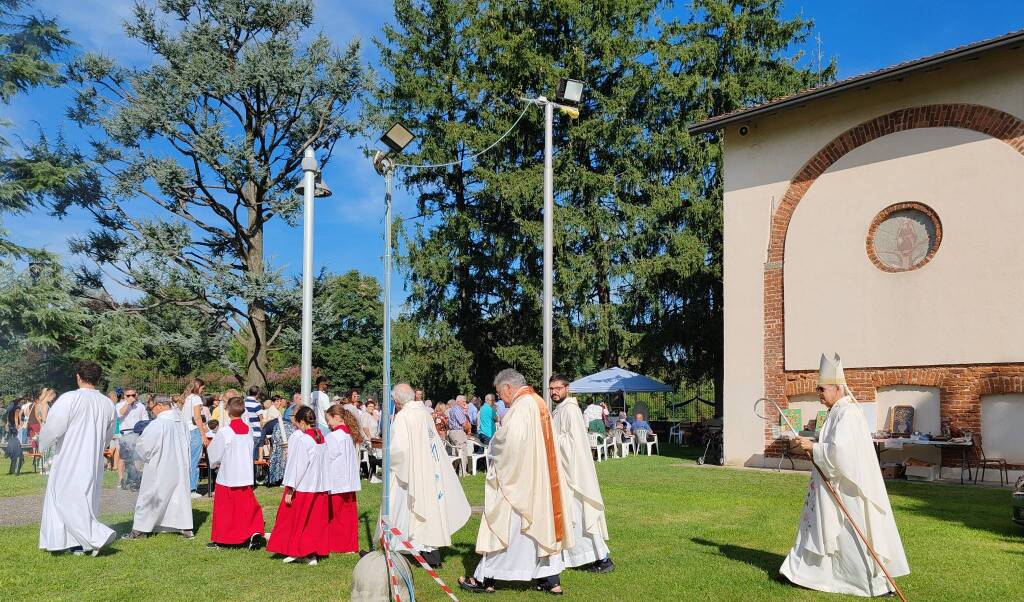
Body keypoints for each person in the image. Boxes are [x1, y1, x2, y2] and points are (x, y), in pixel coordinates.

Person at [781, 353, 909, 597]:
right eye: (817, 388)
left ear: (837, 389)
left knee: (848, 532)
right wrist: (815, 446)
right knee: (822, 528)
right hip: (833, 480)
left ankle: (869, 583)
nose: (818, 393)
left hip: (847, 486)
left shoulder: (848, 413)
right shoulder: (836, 411)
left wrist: (814, 448)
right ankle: (804, 573)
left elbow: (843, 453)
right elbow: (833, 446)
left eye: (822, 388)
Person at [459, 369, 573, 595]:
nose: (501, 399)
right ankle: (551, 581)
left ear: (508, 388)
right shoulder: (538, 402)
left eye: (501, 394)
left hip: (519, 480)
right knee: (542, 526)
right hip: (540, 478)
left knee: (504, 526)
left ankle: (485, 578)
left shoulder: (521, 407)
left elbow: (509, 443)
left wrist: (493, 447)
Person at [378, 383, 470, 568]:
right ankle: (430, 554)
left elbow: (399, 449)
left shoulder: (404, 416)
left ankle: (398, 547)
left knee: (405, 507)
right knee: (429, 508)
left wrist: (389, 459)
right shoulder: (423, 412)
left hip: (409, 470)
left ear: (396, 401)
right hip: (429, 467)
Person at [38, 362, 117, 556]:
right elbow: (108, 435)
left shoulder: (69, 398)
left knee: (62, 498)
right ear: (98, 379)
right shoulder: (107, 403)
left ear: (78, 377)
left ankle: (94, 537)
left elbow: (54, 428)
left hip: (69, 456)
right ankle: (71, 543)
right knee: (86, 499)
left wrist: (43, 441)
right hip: (92, 458)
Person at [549, 375, 614, 573]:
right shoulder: (559, 410)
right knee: (572, 517)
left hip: (574, 474)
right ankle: (577, 556)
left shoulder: (571, 410)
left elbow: (574, 443)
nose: (554, 392)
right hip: (564, 471)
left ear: (566, 388)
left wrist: (551, 438)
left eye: (557, 388)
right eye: (551, 388)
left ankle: (603, 559)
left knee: (582, 515)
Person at [122, 396, 193, 540]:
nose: (151, 412)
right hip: (179, 466)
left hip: (160, 466)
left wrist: (138, 453)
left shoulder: (157, 424)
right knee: (178, 495)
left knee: (150, 495)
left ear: (159, 405)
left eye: (151, 408)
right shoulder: (181, 423)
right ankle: (184, 527)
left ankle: (140, 531)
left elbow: (144, 447)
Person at [267, 406, 330, 565]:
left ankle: (299, 551)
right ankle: (312, 552)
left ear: (302, 422)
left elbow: (298, 467)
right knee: (313, 522)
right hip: (319, 486)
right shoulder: (320, 437)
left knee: (296, 520)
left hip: (304, 487)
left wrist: (290, 489)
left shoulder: (304, 439)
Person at [207, 396, 267, 550]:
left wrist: (214, 463)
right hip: (245, 474)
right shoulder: (248, 430)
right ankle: (253, 531)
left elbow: (214, 454)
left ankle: (225, 538)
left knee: (226, 510)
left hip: (229, 474)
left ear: (228, 411)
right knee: (246, 507)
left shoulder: (225, 432)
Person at [325, 405, 362, 554]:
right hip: (349, 480)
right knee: (348, 515)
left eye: (329, 420)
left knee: (337, 515)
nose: (328, 423)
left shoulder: (334, 436)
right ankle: (350, 545)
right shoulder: (349, 435)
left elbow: (328, 457)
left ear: (337, 417)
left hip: (337, 479)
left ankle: (338, 545)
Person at [115, 388, 148, 490]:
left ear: (136, 395)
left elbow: (145, 420)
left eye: (133, 395)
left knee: (137, 457)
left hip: (137, 433)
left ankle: (134, 479)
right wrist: (127, 404)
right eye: (128, 395)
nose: (131, 397)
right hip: (125, 433)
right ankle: (121, 479)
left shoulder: (140, 406)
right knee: (123, 458)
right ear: (125, 396)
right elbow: (119, 415)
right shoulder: (120, 405)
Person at [182, 378, 208, 498]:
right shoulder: (196, 398)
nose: (203, 390)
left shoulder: (187, 398)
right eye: (202, 388)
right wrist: (203, 435)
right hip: (194, 431)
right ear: (198, 387)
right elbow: (197, 418)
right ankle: (192, 489)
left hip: (186, 431)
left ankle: (186, 487)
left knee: (187, 460)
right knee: (194, 460)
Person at [265, 396, 294, 486]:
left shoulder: (277, 410)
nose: (279, 403)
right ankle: (277, 476)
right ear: (273, 402)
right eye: (277, 401)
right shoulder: (273, 410)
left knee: (279, 457)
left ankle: (278, 476)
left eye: (280, 401)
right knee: (278, 457)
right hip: (275, 435)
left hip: (278, 435)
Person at [243, 386, 264, 461]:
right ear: (258, 394)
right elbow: (261, 419)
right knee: (254, 458)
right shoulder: (256, 405)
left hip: (246, 432)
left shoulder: (243, 403)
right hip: (256, 432)